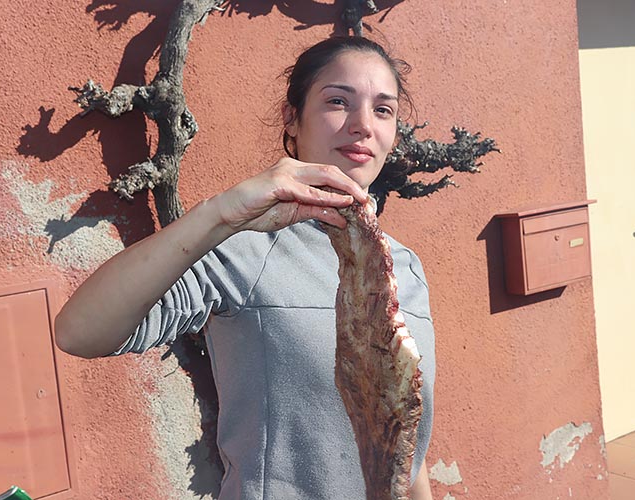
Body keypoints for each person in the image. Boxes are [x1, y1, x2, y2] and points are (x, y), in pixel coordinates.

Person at [55, 36, 435, 500]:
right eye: (338, 101)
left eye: (383, 110)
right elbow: (79, 333)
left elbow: (402, 437)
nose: (362, 125)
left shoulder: (405, 266)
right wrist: (220, 214)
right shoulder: (246, 246)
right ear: (292, 118)